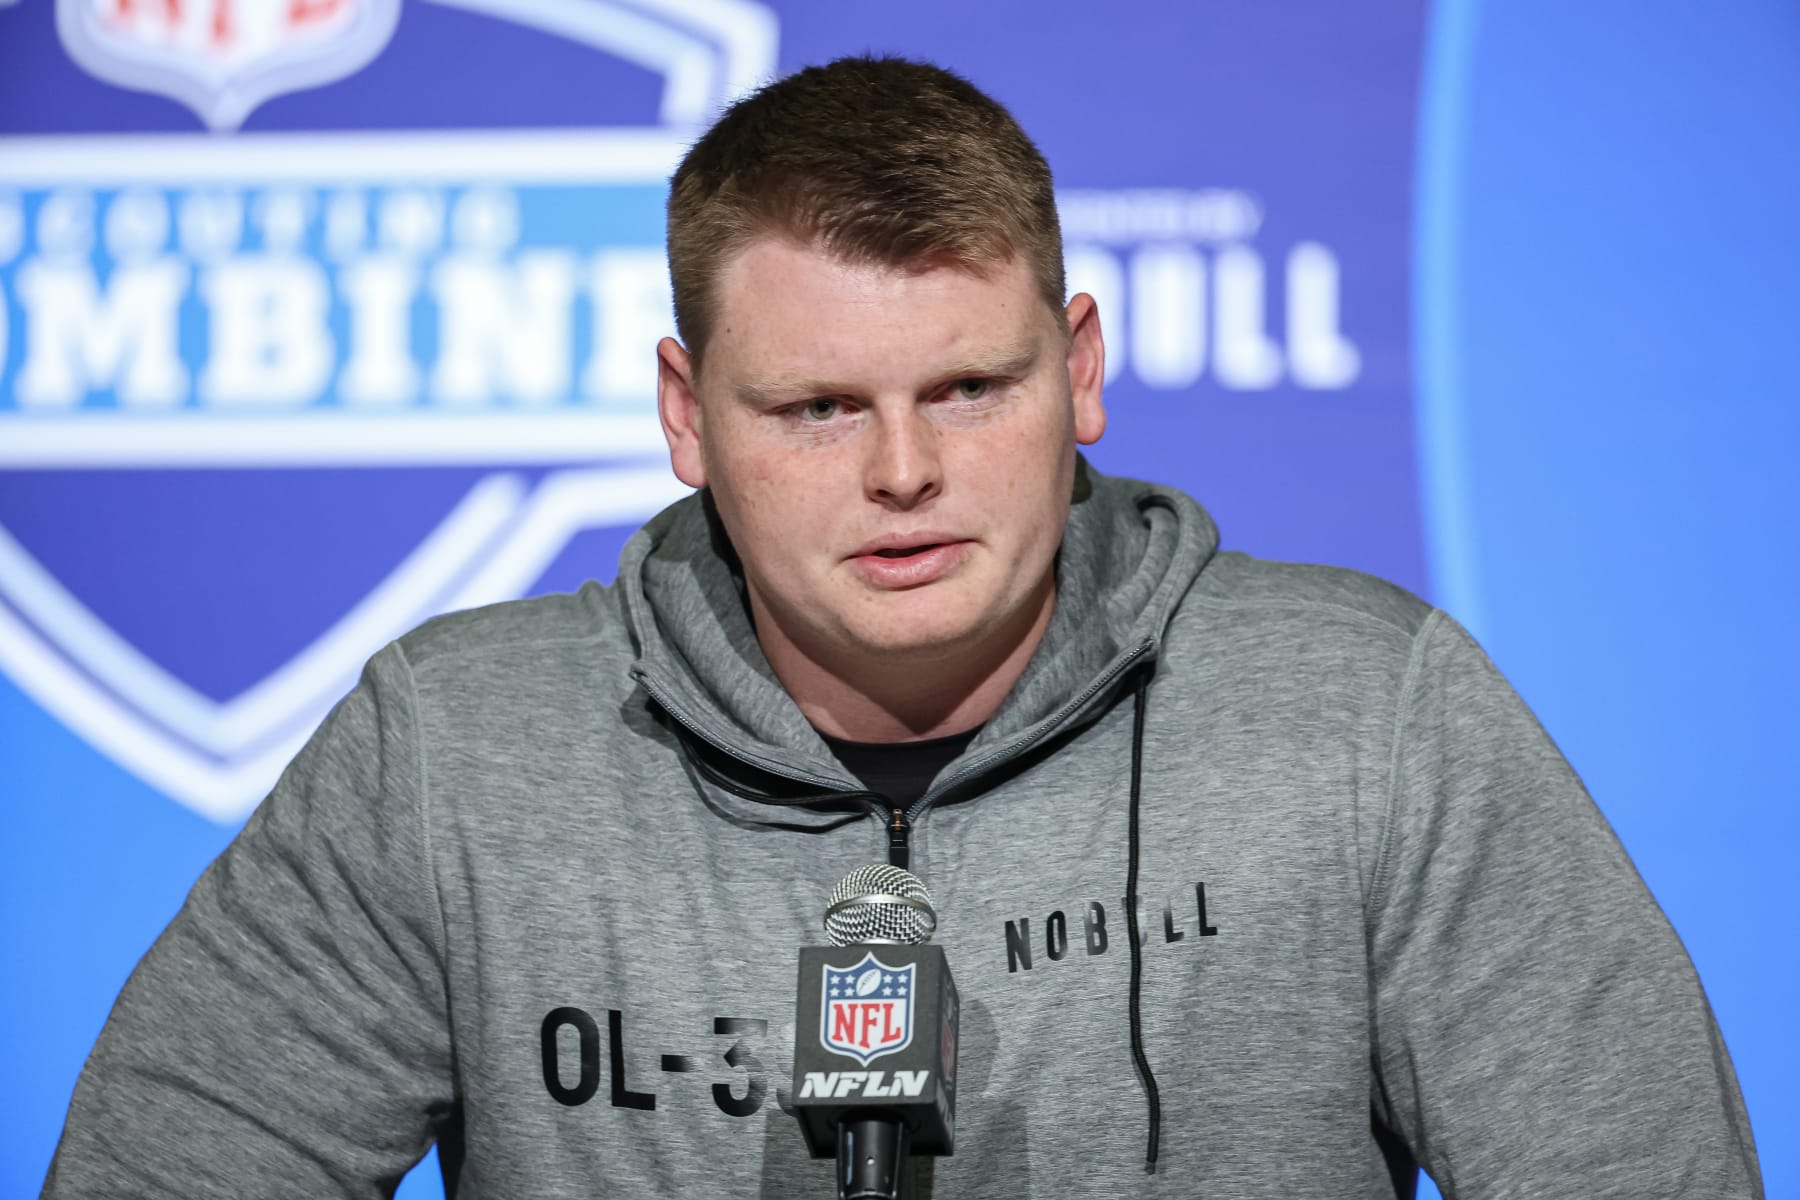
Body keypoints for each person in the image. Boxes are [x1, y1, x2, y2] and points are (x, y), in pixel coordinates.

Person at [45, 56, 1761, 1199]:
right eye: (813, 408)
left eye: (970, 385)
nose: (907, 473)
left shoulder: (1370, 714)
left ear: (1078, 369)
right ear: (685, 413)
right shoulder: (455, 752)